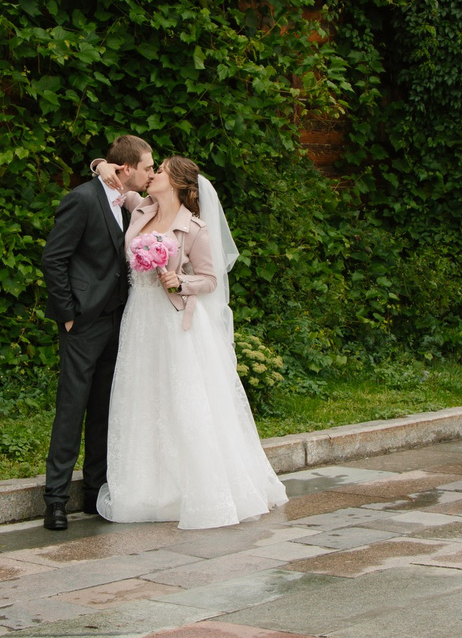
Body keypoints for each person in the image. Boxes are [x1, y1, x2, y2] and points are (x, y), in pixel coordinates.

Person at [95, 155, 286, 530]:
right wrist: (100, 163)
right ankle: (149, 489)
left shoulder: (195, 229)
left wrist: (180, 282)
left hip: (175, 322)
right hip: (140, 321)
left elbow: (210, 279)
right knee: (144, 399)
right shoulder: (140, 209)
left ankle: (199, 488)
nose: (153, 175)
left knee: (184, 400)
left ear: (178, 183)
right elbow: (113, 182)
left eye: (160, 170)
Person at [38, 135, 154, 530]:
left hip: (119, 320)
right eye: (147, 166)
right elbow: (53, 259)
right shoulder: (83, 199)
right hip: (84, 321)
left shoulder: (131, 203)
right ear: (125, 169)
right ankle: (54, 498)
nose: (151, 173)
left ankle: (94, 490)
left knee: (105, 407)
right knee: (72, 407)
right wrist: (67, 314)